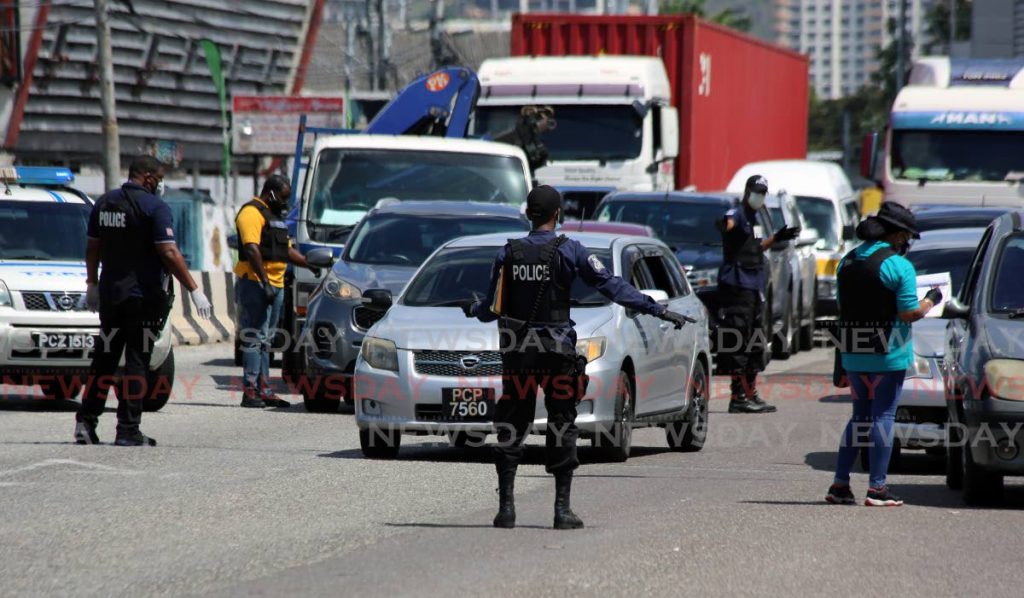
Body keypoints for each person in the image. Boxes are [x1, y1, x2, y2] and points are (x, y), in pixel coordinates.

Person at [464, 185, 692, 530]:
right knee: (562, 424)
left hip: (519, 353)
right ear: (558, 215)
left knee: (513, 423)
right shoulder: (571, 250)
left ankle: (506, 509)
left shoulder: (507, 253)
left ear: (528, 214)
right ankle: (561, 511)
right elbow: (613, 286)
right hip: (556, 352)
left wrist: (473, 308)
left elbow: (491, 308)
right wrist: (656, 308)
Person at [76, 155, 212, 446]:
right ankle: (127, 429)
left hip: (111, 298)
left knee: (104, 360)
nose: (160, 183)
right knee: (137, 361)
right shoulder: (155, 207)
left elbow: (92, 249)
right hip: (141, 299)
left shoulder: (104, 203)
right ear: (148, 177)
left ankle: (85, 423)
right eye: (160, 178)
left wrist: (92, 284)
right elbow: (169, 252)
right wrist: (194, 289)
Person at [826, 202, 941, 507]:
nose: (907, 243)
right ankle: (877, 488)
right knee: (883, 416)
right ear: (899, 234)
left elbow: (843, 308)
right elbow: (908, 314)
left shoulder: (847, 261)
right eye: (907, 237)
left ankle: (840, 484)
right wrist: (931, 300)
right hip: (888, 353)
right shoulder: (898, 266)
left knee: (860, 417)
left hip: (852, 351)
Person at [716, 175, 799, 414]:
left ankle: (750, 393)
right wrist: (724, 226)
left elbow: (756, 246)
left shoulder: (755, 217)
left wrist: (777, 238)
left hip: (755, 287)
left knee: (755, 342)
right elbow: (728, 222)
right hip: (739, 287)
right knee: (740, 341)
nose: (759, 196)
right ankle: (738, 397)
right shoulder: (738, 213)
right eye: (756, 192)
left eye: (763, 193)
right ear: (747, 191)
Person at [234, 174, 315, 409]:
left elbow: (287, 250)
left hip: (277, 284)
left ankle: (265, 390)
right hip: (255, 283)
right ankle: (250, 392)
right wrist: (265, 282)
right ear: (270, 193)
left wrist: (309, 263)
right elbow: (251, 249)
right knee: (253, 337)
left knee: (267, 340)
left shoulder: (275, 218)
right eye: (282, 197)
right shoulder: (251, 213)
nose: (285, 202)